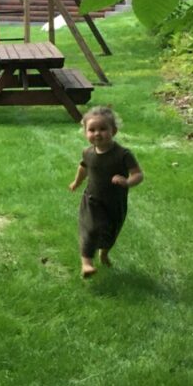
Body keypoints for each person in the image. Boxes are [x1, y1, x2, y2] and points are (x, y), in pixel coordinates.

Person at [68, 105, 143, 278]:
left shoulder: (123, 154)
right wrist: (76, 182)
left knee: (111, 232)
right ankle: (86, 264)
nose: (97, 133)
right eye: (92, 130)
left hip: (115, 202)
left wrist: (127, 181)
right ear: (85, 132)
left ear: (114, 131)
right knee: (90, 229)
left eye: (103, 129)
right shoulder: (88, 153)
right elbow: (83, 168)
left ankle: (104, 253)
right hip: (92, 200)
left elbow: (138, 174)